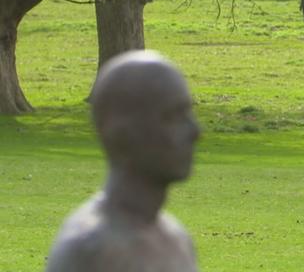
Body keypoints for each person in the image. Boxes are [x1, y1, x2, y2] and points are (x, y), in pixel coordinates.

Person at [46, 51, 201, 272]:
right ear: (121, 132)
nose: (195, 131)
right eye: (173, 116)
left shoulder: (176, 239)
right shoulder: (92, 251)